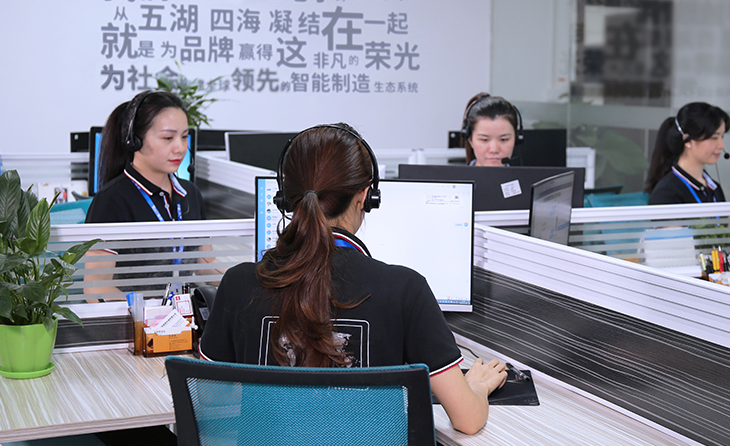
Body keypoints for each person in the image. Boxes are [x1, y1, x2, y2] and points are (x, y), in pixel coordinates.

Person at [199, 124, 507, 435]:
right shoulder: (405, 289)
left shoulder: (239, 283)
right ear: (366, 195)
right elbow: (468, 420)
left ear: (285, 197)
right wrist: (478, 386)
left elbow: (210, 401)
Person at [84, 90, 208, 298]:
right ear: (135, 140)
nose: (180, 148)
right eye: (168, 138)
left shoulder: (190, 194)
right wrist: (149, 312)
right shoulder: (112, 200)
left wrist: (250, 278)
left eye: (184, 137)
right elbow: (96, 289)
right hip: (136, 316)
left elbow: (206, 263)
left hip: (184, 313)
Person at [645, 102, 730, 205]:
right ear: (687, 140)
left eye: (722, 137)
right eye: (714, 138)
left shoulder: (714, 187)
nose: (721, 145)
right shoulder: (666, 193)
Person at [461, 92, 521, 166]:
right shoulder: (453, 174)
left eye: (503, 139)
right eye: (484, 140)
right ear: (470, 140)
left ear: (516, 139)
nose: (494, 150)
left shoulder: (528, 174)